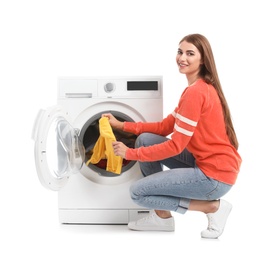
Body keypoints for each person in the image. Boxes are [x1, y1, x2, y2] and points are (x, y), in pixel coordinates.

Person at [102, 33, 242, 239]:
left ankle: (212, 207)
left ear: (202, 59)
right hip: (211, 165)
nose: (182, 58)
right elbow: (163, 126)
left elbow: (175, 146)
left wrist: (130, 154)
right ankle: (162, 216)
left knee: (138, 192)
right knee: (145, 139)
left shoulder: (196, 93)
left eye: (190, 54)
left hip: (214, 177)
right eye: (180, 52)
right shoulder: (195, 89)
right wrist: (122, 125)